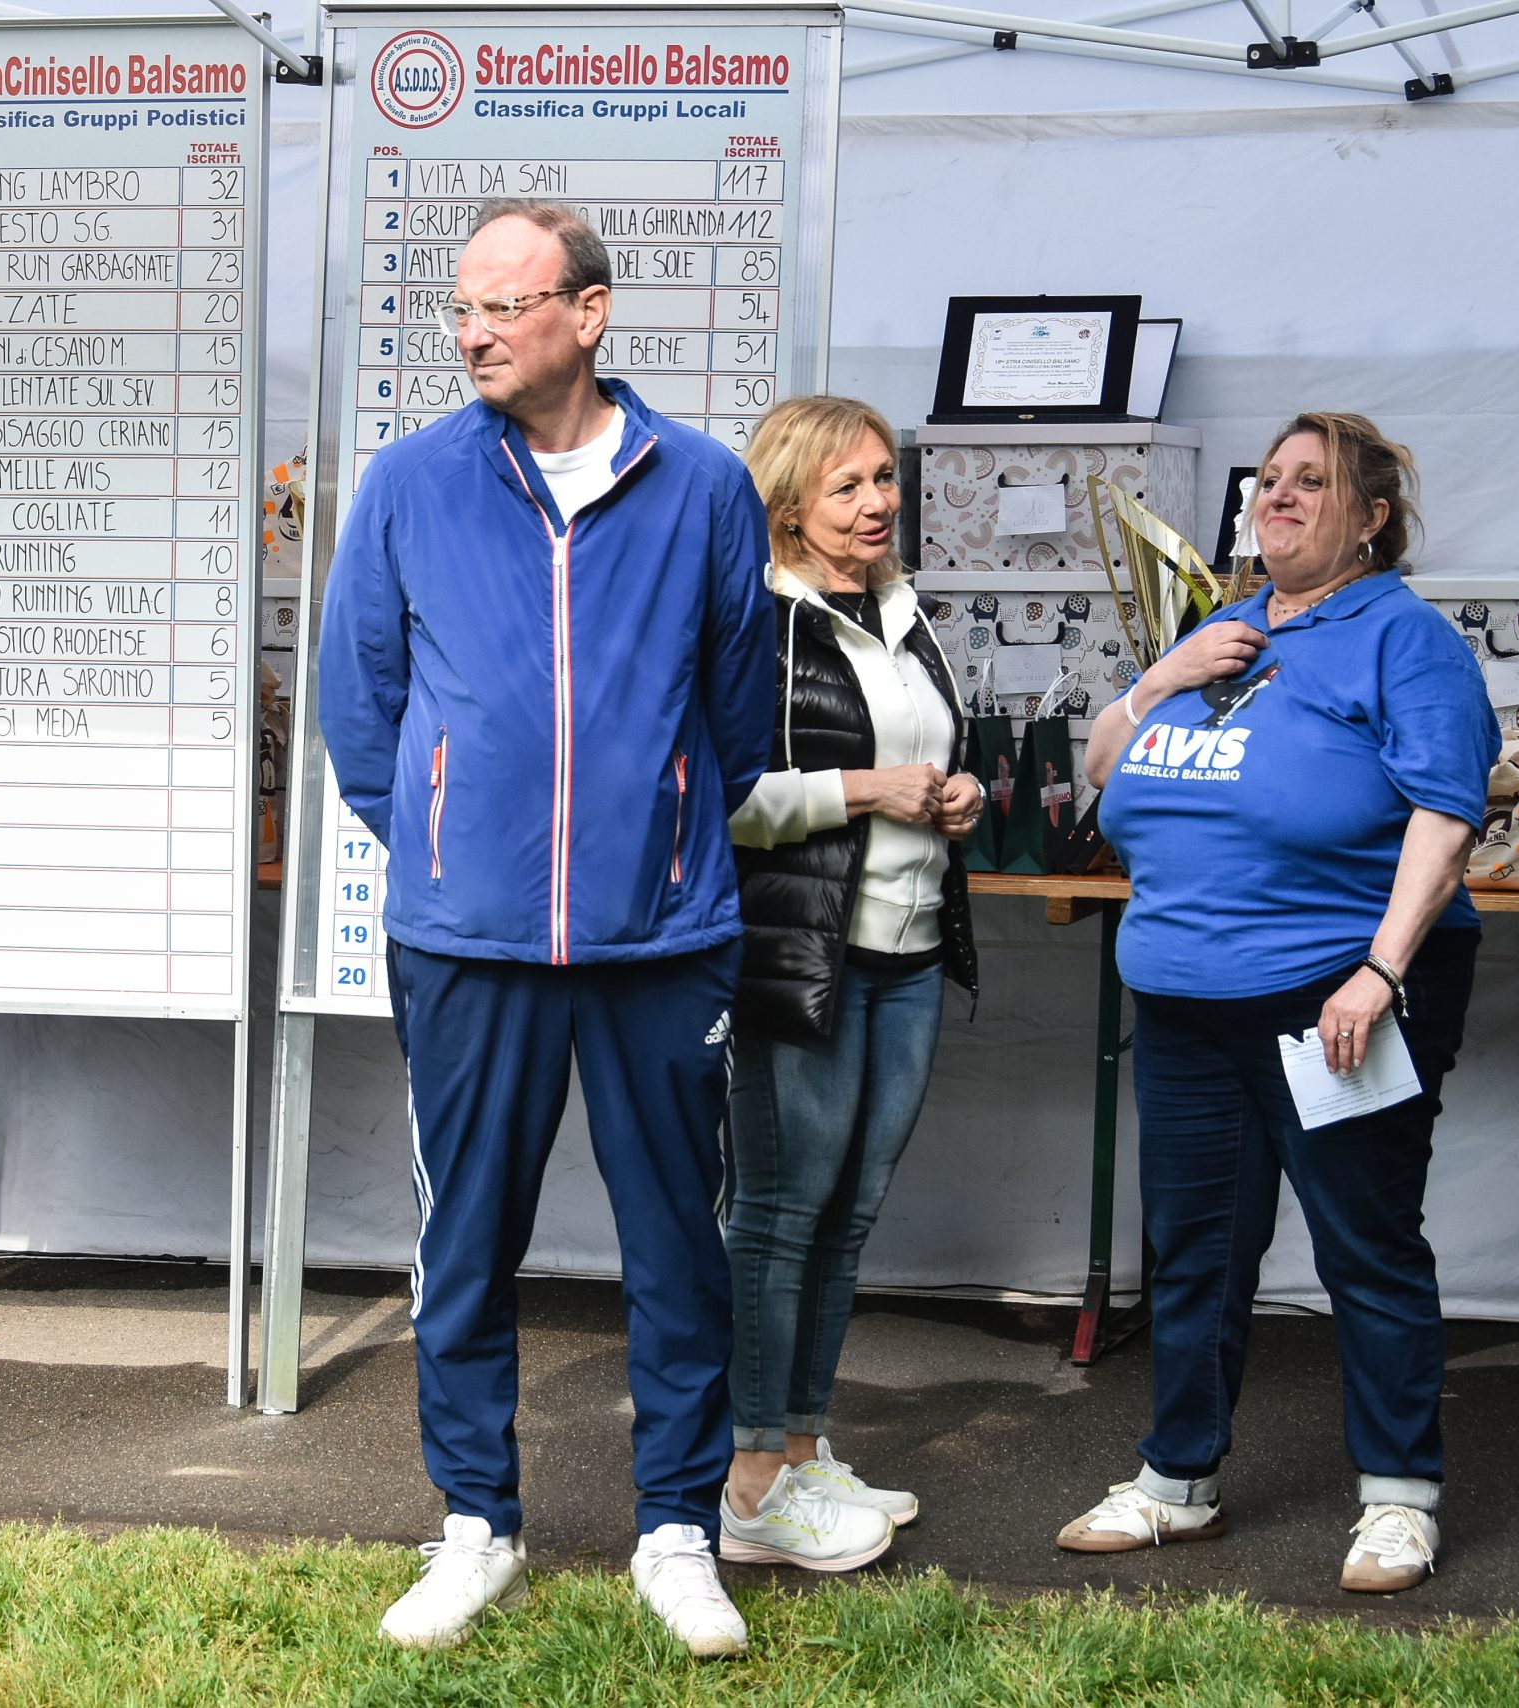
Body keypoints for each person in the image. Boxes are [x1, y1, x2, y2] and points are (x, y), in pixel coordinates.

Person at [316, 198, 776, 1657]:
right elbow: (361, 710)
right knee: (463, 1243)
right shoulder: (410, 484)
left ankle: (679, 1532)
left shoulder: (704, 485)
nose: (473, 332)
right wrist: (453, 843)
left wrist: (664, 836)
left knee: (678, 1249)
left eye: (504, 305)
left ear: (588, 312)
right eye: (461, 308)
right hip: (469, 942)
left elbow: (739, 711)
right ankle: (476, 1527)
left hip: (662, 943)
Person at [1057, 412, 1496, 1594]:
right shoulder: (1224, 626)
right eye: (1271, 481)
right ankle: (1177, 1481)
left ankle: (1398, 1495)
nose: (1281, 497)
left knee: (1365, 1241)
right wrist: (1164, 673)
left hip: (1333, 997)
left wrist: (1379, 972)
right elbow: (1101, 767)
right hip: (1183, 999)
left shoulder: (1403, 639)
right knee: (1195, 1248)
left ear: (1372, 517)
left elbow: (1446, 815)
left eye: (1313, 481)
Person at [715, 397, 980, 1571]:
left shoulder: (904, 613)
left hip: (907, 953)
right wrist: (868, 790)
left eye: (883, 478)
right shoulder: (753, 622)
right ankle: (747, 1482)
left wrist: (960, 794)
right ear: (786, 507)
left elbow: (938, 756)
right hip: (800, 962)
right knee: (779, 1213)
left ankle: (801, 1447)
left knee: (846, 1212)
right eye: (847, 486)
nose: (878, 502)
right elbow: (719, 796)